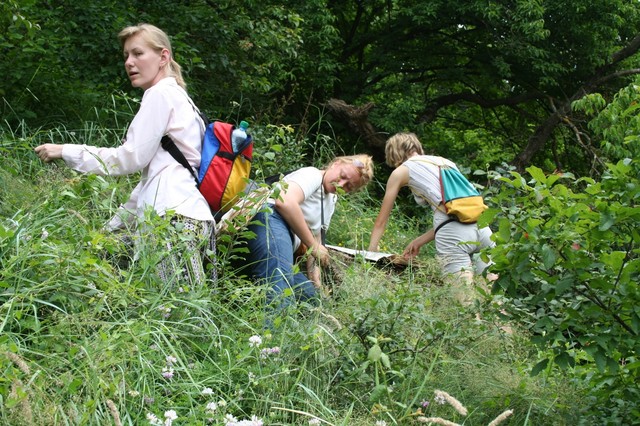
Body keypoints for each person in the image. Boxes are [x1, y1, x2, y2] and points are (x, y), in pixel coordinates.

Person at [34, 23, 215, 288]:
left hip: (172, 223)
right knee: (178, 314)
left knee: (181, 316)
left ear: (163, 57)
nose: (129, 62)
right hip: (192, 221)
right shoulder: (181, 99)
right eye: (126, 56)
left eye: (138, 53)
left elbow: (127, 158)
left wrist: (65, 151)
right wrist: (109, 231)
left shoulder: (160, 94)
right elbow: (149, 183)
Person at [245, 155, 374, 322]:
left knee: (310, 298)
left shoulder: (331, 199)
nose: (341, 185)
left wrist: (316, 283)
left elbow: (316, 242)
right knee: (280, 282)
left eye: (348, 186)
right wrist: (314, 246)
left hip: (284, 240)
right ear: (335, 164)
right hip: (269, 219)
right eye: (342, 176)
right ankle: (271, 344)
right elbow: (284, 201)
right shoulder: (312, 175)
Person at [368, 132, 495, 295]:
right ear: (416, 147)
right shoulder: (446, 162)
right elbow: (456, 212)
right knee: (495, 302)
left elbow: (381, 221)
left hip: (452, 235)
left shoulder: (402, 171)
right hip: (483, 228)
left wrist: (371, 252)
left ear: (394, 154)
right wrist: (419, 241)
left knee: (466, 305)